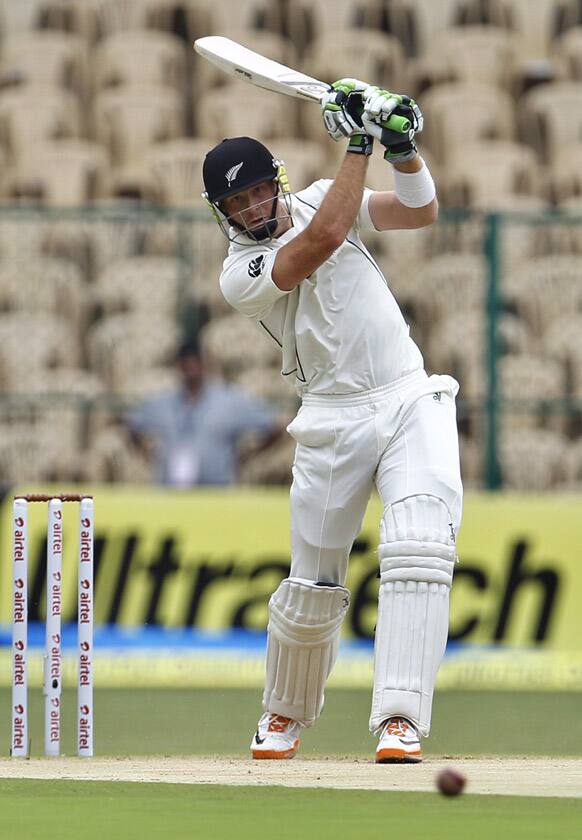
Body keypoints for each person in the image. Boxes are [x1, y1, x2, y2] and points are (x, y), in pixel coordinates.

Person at [201, 79, 463, 763]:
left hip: (408, 394)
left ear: (277, 181)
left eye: (260, 190)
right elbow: (323, 239)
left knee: (420, 545)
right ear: (221, 213)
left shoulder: (317, 194)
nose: (255, 207)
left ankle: (400, 720)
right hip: (331, 417)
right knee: (313, 581)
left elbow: (420, 212)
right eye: (238, 201)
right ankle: (283, 713)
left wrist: (402, 149)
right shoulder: (240, 271)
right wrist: (358, 141)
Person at [127, 340, 283, 487]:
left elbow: (273, 428)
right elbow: (133, 426)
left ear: (204, 363)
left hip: (217, 494)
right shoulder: (162, 402)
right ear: (178, 365)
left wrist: (247, 457)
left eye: (195, 361)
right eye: (185, 361)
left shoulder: (229, 400)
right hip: (170, 494)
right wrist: (149, 456)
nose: (190, 367)